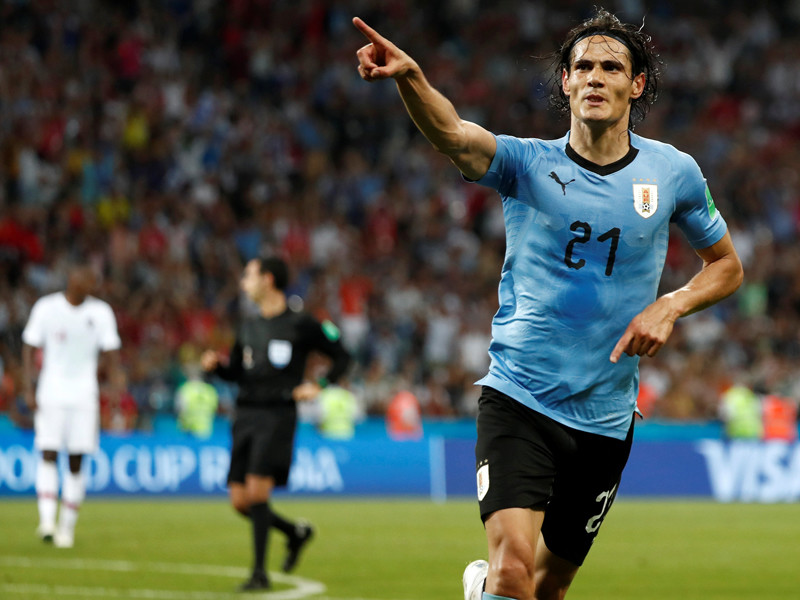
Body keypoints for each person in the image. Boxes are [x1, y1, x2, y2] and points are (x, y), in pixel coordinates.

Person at [354, 8, 743, 600]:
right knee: (514, 569)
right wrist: (411, 77)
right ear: (565, 81)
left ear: (636, 84)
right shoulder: (527, 163)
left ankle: (483, 590)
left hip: (605, 420)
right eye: (582, 67)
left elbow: (727, 266)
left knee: (547, 586)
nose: (594, 77)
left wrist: (670, 305)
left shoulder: (673, 173)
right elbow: (453, 134)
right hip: (520, 398)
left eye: (611, 67)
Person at [201, 255, 350, 591]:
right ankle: (294, 532)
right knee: (240, 501)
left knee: (257, 490)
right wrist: (217, 368)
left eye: (249, 276)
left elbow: (342, 356)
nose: (243, 283)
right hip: (245, 414)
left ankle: (259, 574)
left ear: (268, 279)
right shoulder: (247, 325)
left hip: (277, 414)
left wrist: (319, 385)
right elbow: (237, 373)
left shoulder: (301, 323)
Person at [21, 263, 123, 549]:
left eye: (93, 281)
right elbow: (29, 346)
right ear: (72, 279)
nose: (91, 284)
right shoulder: (47, 308)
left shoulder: (101, 312)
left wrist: (116, 389)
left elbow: (111, 353)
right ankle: (46, 522)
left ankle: (67, 527)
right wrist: (29, 387)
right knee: (48, 452)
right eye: (86, 279)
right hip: (51, 391)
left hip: (84, 395)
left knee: (76, 460)